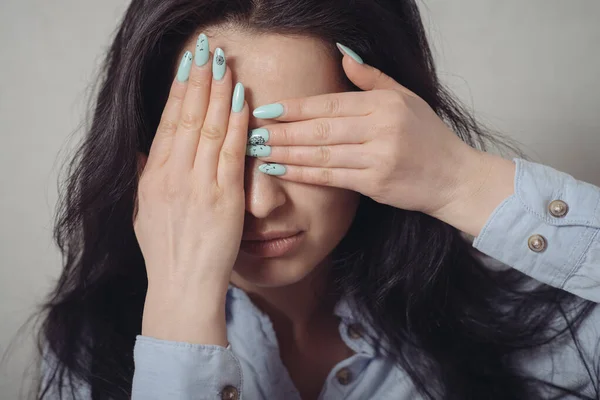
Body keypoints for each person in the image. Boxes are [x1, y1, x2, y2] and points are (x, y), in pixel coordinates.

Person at [34, 0, 600, 399]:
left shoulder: (523, 319)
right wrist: (180, 309)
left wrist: (461, 181)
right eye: (213, 157)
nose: (258, 203)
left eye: (298, 149)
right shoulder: (89, 348)